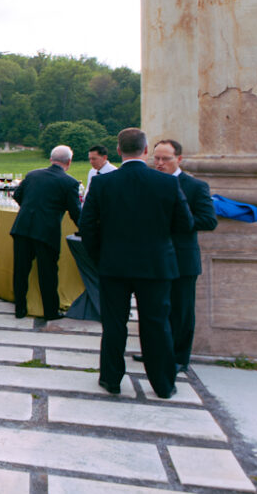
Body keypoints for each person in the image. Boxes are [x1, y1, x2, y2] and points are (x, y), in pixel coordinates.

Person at [79, 128, 193, 398]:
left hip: (114, 265)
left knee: (114, 324)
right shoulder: (167, 183)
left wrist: (99, 257)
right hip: (156, 265)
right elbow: (185, 224)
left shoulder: (104, 183)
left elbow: (87, 227)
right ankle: (163, 383)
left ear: (118, 151)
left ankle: (111, 378)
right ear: (145, 151)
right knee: (156, 323)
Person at [151, 139, 217, 374]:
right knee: (157, 309)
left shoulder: (195, 186)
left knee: (181, 311)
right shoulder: (151, 183)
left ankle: (180, 357)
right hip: (155, 257)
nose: (159, 163)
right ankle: (157, 351)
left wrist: (178, 221)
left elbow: (209, 220)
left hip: (182, 258)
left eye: (165, 159)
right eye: (156, 158)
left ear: (178, 159)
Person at [9, 145, 82, 320]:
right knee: (47, 273)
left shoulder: (32, 174)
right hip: (46, 232)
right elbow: (75, 212)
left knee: (20, 270)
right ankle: (50, 311)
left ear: (51, 159)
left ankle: (19, 308)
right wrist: (85, 229)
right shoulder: (70, 182)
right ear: (69, 162)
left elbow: (17, 195)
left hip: (22, 227)